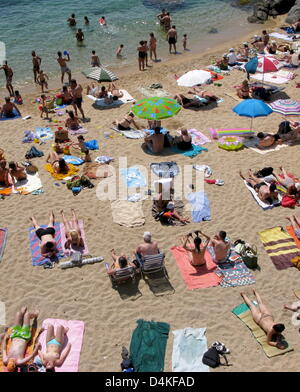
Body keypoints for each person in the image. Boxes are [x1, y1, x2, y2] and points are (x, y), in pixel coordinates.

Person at [1, 307, 42, 372]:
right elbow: (31, 356)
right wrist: (36, 347)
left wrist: (5, 339)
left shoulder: (5, 360)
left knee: (18, 314)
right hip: (24, 337)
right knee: (27, 315)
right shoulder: (19, 361)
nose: (11, 361)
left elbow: (3, 349)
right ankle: (35, 314)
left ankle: (21, 315)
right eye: (12, 364)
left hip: (15, 335)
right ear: (15, 366)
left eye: (9, 363)